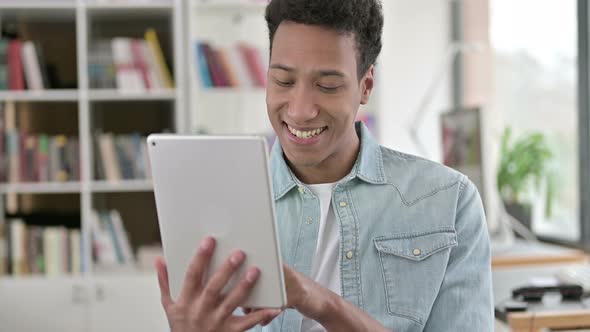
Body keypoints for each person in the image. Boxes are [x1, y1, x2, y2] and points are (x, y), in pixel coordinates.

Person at [155, 0, 494, 331]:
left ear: (366, 86)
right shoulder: (219, 200)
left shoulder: (449, 201)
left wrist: (318, 301)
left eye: (328, 85)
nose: (300, 110)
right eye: (284, 81)